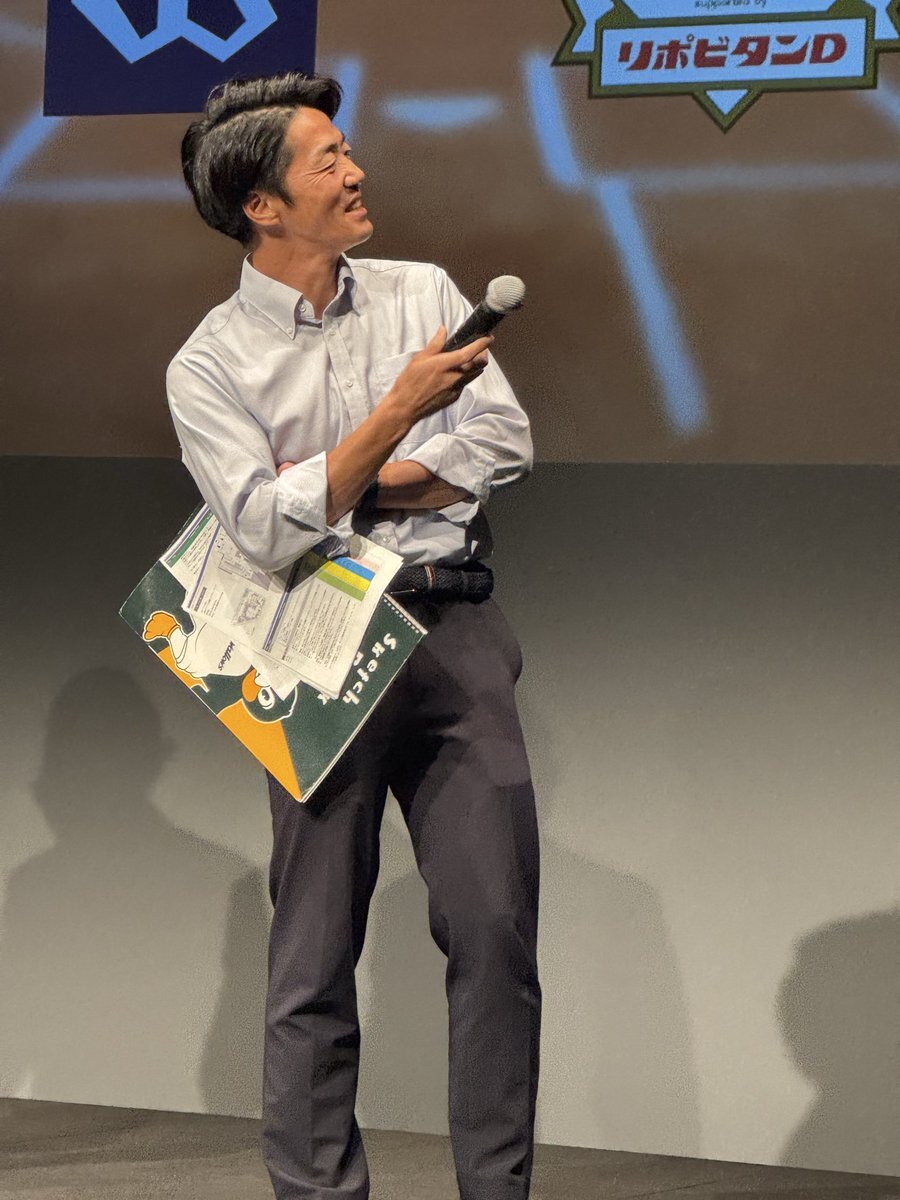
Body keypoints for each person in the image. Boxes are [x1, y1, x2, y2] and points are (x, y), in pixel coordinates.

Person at [171, 72, 541, 1200]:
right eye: (328, 159)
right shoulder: (210, 363)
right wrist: (396, 417)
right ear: (263, 206)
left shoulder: (421, 291)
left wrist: (346, 481)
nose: (356, 171)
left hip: (452, 626)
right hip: (311, 651)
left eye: (349, 150)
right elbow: (259, 526)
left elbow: (503, 445)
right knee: (315, 953)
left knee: (495, 933)